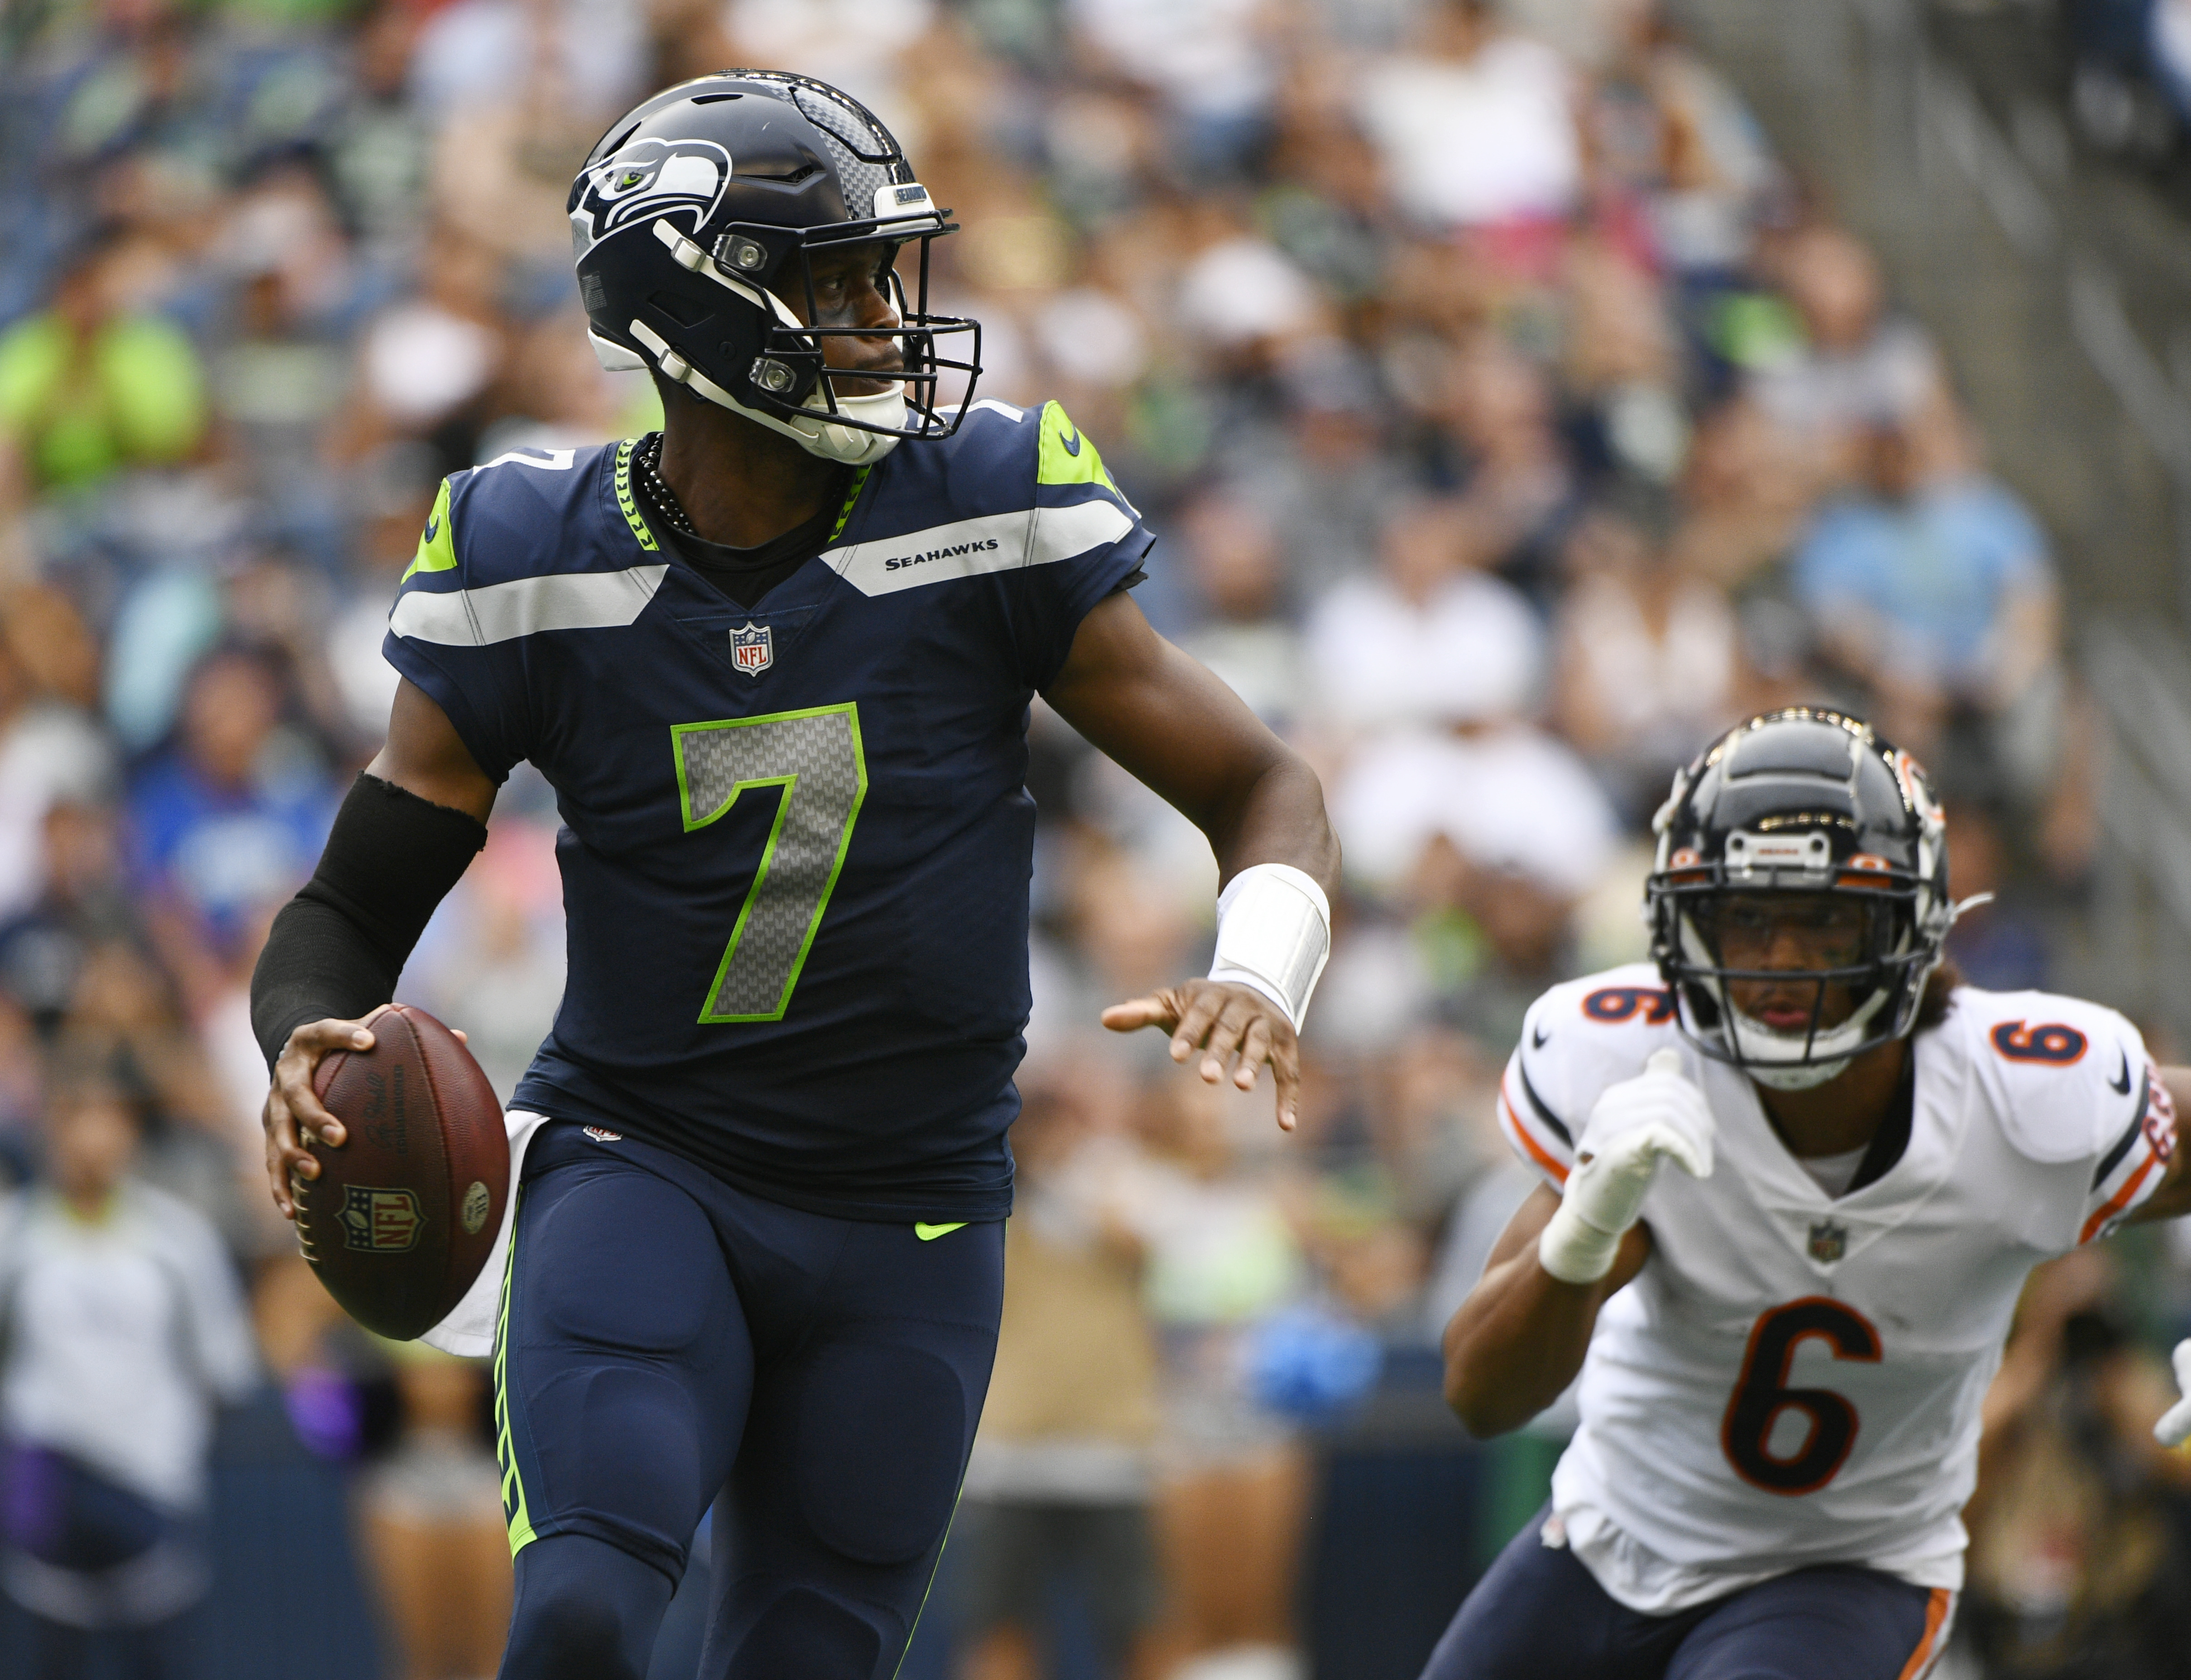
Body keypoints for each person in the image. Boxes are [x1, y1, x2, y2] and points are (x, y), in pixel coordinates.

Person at [246, 70, 1338, 1680]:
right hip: (646, 1161)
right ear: (690, 302)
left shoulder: (980, 509)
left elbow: (1261, 786)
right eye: (830, 281)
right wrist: (303, 1035)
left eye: (876, 275)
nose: (882, 319)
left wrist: (1257, 965)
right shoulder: (532, 559)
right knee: (580, 1624)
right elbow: (347, 913)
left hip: (911, 1206)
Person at [1421, 707, 2191, 1680]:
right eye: (1746, 914)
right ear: (1687, 917)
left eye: (1826, 918)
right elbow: (1480, 1394)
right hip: (1608, 1533)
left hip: (1848, 1568)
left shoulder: (2025, 1092)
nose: (1781, 960)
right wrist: (1583, 1229)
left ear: (1908, 922)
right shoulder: (1629, 1062)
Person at [0, 1071, 261, 1676]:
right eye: (73, 1117)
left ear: (131, 1135)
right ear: (48, 1133)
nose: (91, 1138)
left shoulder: (180, 1241)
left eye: (108, 1118)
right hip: (47, 1490)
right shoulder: (1, 1240)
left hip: (156, 1487)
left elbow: (226, 1371)